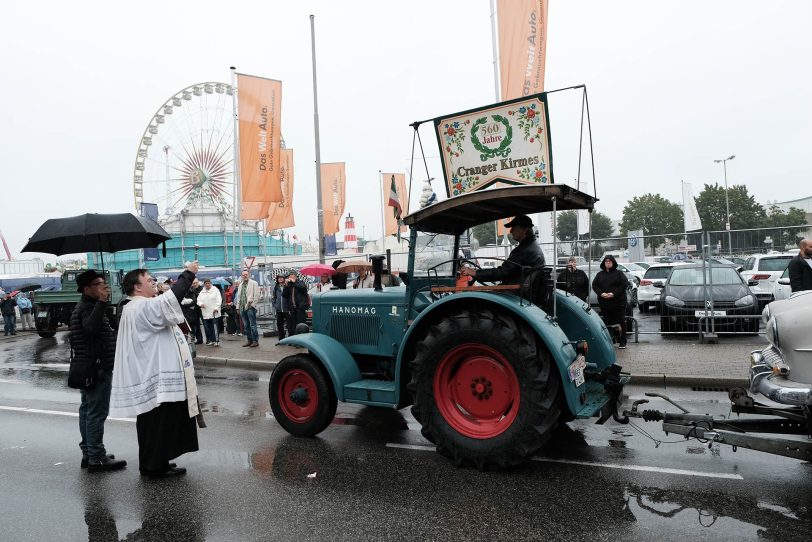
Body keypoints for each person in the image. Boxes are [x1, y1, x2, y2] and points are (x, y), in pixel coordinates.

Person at [110, 262, 201, 478]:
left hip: (152, 372)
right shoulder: (140, 306)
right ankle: (153, 466)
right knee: (157, 424)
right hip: (155, 376)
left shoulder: (137, 305)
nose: (154, 283)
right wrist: (189, 274)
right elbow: (172, 298)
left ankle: (158, 460)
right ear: (137, 287)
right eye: (149, 280)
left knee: (159, 423)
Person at [70, 269, 126, 472]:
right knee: (96, 413)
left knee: (87, 411)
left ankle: (89, 453)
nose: (104, 286)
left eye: (104, 283)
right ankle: (96, 457)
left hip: (90, 367)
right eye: (98, 284)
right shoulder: (87, 307)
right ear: (86, 289)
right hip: (97, 368)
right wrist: (102, 303)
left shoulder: (88, 306)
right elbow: (91, 329)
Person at [461, 215, 544, 284]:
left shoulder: (524, 250)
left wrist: (474, 272)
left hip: (515, 292)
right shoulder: (532, 247)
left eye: (514, 227)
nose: (511, 231)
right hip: (522, 291)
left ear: (524, 230)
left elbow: (502, 272)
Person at [592, 255, 629, 348]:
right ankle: (610, 340)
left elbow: (624, 285)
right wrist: (601, 293)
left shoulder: (619, 273)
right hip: (605, 303)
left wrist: (613, 294)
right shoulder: (599, 274)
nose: (608, 262)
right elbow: (595, 285)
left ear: (613, 262)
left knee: (620, 321)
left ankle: (622, 341)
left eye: (610, 261)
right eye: (606, 261)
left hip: (618, 302)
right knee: (608, 322)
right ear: (603, 263)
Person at [235, 269, 261, 347]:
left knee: (253, 325)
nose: (245, 276)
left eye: (246, 274)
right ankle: (249, 340)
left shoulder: (254, 283)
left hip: (250, 307)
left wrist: (252, 305)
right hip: (242, 307)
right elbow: (238, 297)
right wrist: (238, 307)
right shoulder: (240, 285)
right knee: (246, 326)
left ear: (249, 275)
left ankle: (255, 341)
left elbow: (257, 295)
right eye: (243, 275)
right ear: (241, 276)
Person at [197, 279, 222, 346]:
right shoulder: (202, 291)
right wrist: (200, 304)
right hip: (205, 312)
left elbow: (219, 300)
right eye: (206, 283)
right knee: (208, 327)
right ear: (204, 284)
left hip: (214, 312)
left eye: (208, 283)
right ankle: (211, 340)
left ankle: (216, 341)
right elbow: (198, 300)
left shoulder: (215, 290)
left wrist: (216, 308)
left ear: (211, 283)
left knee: (215, 327)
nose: (207, 284)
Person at [181, 278, 204, 344]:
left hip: (194, 311)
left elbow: (194, 301)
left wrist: (186, 304)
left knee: (194, 326)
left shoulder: (192, 291)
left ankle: (197, 339)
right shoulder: (185, 291)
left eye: (195, 283)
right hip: (189, 311)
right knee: (191, 326)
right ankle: (194, 339)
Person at [271, 275, 288, 341]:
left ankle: (290, 339)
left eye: (281, 278)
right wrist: (275, 305)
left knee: (289, 325)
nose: (280, 279)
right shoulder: (276, 287)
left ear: (284, 279)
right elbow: (273, 297)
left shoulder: (287, 286)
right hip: (279, 310)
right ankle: (281, 339)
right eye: (279, 278)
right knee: (279, 325)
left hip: (287, 309)